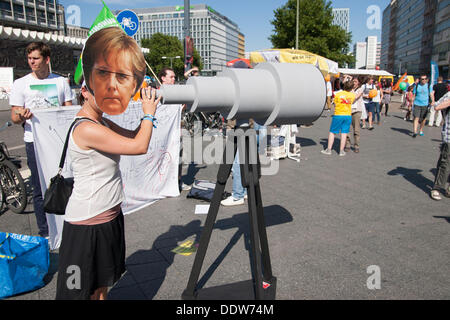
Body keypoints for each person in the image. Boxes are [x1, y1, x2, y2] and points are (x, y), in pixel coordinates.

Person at [55, 27, 161, 300]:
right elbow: (138, 146)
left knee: (101, 288)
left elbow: (134, 135)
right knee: (78, 292)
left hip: (108, 217)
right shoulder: (86, 128)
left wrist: (148, 109)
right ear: (85, 89)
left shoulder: (100, 120)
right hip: (86, 226)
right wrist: (148, 116)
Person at [9, 42, 73, 239]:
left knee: (65, 184)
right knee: (39, 189)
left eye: (35, 58)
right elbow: (14, 116)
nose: (31, 62)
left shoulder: (61, 82)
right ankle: (44, 232)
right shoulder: (21, 84)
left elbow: (68, 110)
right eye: (29, 59)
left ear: (46, 60)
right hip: (34, 141)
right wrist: (22, 115)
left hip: (58, 141)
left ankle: (68, 227)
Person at [321, 80, 355, 156]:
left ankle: (329, 149)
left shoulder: (338, 94)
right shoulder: (352, 95)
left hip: (338, 114)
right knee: (344, 133)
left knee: (332, 132)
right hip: (347, 115)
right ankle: (341, 151)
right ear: (352, 88)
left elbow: (335, 102)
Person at [430, 91, 450, 200]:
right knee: (445, 163)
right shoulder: (449, 95)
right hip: (449, 136)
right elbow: (436, 106)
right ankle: (436, 188)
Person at [345, 76, 364, 153]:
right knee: (347, 129)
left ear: (358, 83)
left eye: (355, 81)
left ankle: (356, 145)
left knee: (356, 130)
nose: (354, 83)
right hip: (348, 111)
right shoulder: (348, 89)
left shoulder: (360, 89)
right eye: (353, 81)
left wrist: (350, 92)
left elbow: (355, 97)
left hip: (357, 111)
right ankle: (347, 144)